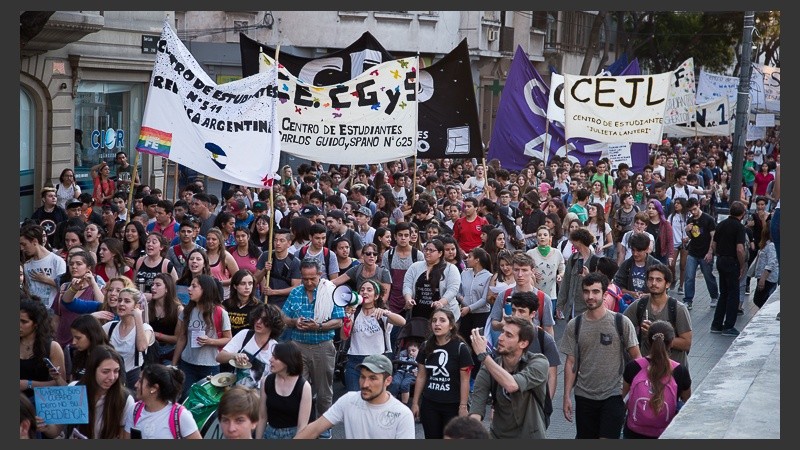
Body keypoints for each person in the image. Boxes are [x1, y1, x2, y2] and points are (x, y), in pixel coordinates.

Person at [559, 272, 641, 439]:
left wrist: (631, 393)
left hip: (614, 394)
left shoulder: (621, 323)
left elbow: (637, 360)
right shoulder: (574, 325)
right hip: (584, 396)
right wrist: (566, 396)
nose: (590, 296)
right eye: (586, 291)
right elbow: (570, 363)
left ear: (604, 295)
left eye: (595, 292)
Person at [281, 258, 345, 438]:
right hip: (298, 346)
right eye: (305, 278)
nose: (309, 282)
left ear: (320, 275)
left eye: (312, 278)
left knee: (324, 391)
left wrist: (318, 326)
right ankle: (301, 427)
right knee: (297, 389)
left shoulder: (330, 292)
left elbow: (338, 321)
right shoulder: (295, 293)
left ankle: (323, 428)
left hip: (322, 346)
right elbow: (284, 317)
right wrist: (295, 322)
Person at [295, 353, 415, 439]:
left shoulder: (402, 414)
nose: (365, 384)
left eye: (373, 378)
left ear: (388, 381)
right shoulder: (349, 400)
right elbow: (314, 429)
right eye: (362, 377)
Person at [468, 316, 550, 438]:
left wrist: (483, 355)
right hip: (498, 436)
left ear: (523, 343)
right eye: (502, 332)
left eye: (509, 335)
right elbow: (476, 408)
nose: (500, 338)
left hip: (530, 436)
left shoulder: (539, 362)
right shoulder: (489, 368)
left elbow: (512, 385)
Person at [622, 320, 691, 439]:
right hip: (665, 432)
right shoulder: (680, 371)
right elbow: (687, 402)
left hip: (634, 431)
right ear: (671, 342)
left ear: (648, 341)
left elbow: (622, 396)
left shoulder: (633, 367)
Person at [411, 308, 473, 439]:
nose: (437, 324)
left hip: (452, 405)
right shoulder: (425, 346)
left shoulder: (461, 348)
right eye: (434, 321)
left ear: (451, 325)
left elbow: (465, 380)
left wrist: (463, 406)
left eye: (442, 320)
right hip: (430, 404)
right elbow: (421, 376)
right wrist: (415, 402)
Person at [172, 274, 233, 401]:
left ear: (205, 289)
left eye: (194, 286)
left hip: (210, 364)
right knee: (186, 398)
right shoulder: (187, 311)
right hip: (187, 364)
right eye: (190, 285)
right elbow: (182, 338)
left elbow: (228, 338)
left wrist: (210, 341)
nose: (189, 289)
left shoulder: (220, 313)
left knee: (207, 400)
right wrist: (174, 364)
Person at [623, 264, 693, 368]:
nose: (654, 283)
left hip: (673, 372)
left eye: (659, 280)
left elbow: (686, 343)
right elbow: (621, 327)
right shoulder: (639, 305)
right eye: (650, 279)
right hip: (647, 371)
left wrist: (656, 335)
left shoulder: (678, 309)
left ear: (667, 284)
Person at [342, 280, 406, 392]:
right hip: (355, 362)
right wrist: (347, 318)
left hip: (377, 361)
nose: (364, 292)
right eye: (362, 290)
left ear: (376, 296)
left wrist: (386, 313)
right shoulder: (354, 313)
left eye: (369, 290)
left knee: (374, 398)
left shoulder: (381, 314)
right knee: (354, 397)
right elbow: (343, 337)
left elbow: (402, 322)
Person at [71, 345, 136, 439]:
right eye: (105, 372)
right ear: (92, 370)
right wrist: (46, 427)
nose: (112, 377)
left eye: (116, 371)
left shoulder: (125, 399)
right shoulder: (74, 389)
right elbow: (56, 430)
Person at [124, 363, 202, 439]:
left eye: (140, 381)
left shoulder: (180, 415)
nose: (136, 385)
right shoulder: (134, 410)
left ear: (154, 388)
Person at [217, 303, 285, 390]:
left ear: (273, 323)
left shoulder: (275, 348)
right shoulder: (245, 334)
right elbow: (219, 357)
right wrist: (235, 355)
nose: (258, 322)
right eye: (257, 317)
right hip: (236, 393)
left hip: (258, 397)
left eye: (265, 320)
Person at [256, 341, 313, 439]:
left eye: (276, 358)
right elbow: (262, 417)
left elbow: (302, 426)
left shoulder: (304, 387)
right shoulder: (267, 381)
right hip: (270, 433)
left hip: (294, 435)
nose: (270, 360)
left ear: (287, 361)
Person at [102, 287, 155, 388]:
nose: (121, 304)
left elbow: (142, 347)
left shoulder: (145, 328)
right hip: (112, 378)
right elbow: (88, 335)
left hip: (132, 378)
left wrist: (138, 316)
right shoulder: (111, 326)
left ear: (136, 306)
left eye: (127, 301)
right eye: (119, 300)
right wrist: (94, 316)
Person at [710, 200, 747, 336]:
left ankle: (716, 324)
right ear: (742, 214)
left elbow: (714, 244)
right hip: (732, 261)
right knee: (733, 294)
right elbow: (740, 249)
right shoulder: (739, 227)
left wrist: (718, 255)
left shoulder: (721, 224)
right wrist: (741, 265)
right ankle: (729, 325)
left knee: (724, 293)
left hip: (721, 260)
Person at [402, 238, 462, 322]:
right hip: (418, 314)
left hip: (444, 314)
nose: (427, 253)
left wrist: (441, 302)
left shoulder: (451, 269)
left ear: (440, 253)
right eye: (426, 250)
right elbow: (407, 284)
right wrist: (408, 299)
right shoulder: (415, 267)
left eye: (431, 250)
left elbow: (453, 289)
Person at [20, 297, 66, 400]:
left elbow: (60, 383)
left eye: (24, 322)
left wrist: (29, 384)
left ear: (36, 324)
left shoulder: (52, 347)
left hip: (39, 403)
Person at [682, 197, 719, 311]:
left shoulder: (708, 219)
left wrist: (710, 252)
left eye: (694, 209)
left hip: (705, 252)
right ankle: (688, 300)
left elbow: (713, 236)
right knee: (689, 276)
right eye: (691, 211)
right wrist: (687, 231)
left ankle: (714, 296)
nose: (693, 212)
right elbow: (691, 237)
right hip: (693, 252)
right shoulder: (690, 220)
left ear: (698, 205)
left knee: (708, 276)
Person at [21, 223, 67, 308]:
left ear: (35, 241)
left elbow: (65, 288)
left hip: (52, 310)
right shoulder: (27, 265)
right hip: (33, 311)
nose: (22, 248)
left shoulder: (57, 261)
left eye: (24, 244)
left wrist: (47, 280)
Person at [556, 227, 598, 320]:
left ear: (579, 241)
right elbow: (566, 282)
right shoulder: (573, 259)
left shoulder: (595, 261)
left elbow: (600, 286)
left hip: (587, 309)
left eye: (573, 241)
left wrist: (588, 276)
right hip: (571, 309)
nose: (572, 244)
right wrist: (560, 304)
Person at [255, 228, 301, 310]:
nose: (278, 243)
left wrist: (273, 292)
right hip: (266, 302)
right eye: (275, 240)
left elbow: (296, 288)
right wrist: (264, 270)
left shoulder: (295, 262)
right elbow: (255, 280)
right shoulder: (266, 256)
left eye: (282, 240)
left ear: (289, 243)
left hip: (285, 304)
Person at [147, 273, 182, 364]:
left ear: (167, 289)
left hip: (168, 352)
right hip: (150, 351)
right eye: (153, 284)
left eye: (158, 285)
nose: (153, 288)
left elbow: (178, 339)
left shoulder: (178, 310)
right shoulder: (148, 307)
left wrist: (156, 335)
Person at [527, 225, 565, 301]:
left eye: (545, 235)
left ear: (550, 237)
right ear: (536, 237)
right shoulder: (530, 253)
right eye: (539, 235)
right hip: (534, 294)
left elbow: (562, 269)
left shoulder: (557, 253)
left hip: (551, 295)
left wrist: (560, 275)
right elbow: (525, 270)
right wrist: (532, 274)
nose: (542, 237)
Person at [206, 227, 240, 301]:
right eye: (208, 239)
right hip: (206, 294)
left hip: (223, 296)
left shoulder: (226, 256)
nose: (210, 241)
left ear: (219, 241)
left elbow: (237, 277)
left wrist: (219, 283)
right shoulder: (203, 255)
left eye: (214, 239)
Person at [388, 339, 420, 404]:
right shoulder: (403, 357)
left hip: (411, 373)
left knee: (404, 384)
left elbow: (422, 370)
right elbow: (397, 361)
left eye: (413, 351)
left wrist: (418, 373)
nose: (411, 353)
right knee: (395, 383)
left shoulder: (419, 360)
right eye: (409, 351)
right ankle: (391, 402)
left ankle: (404, 404)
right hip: (400, 372)